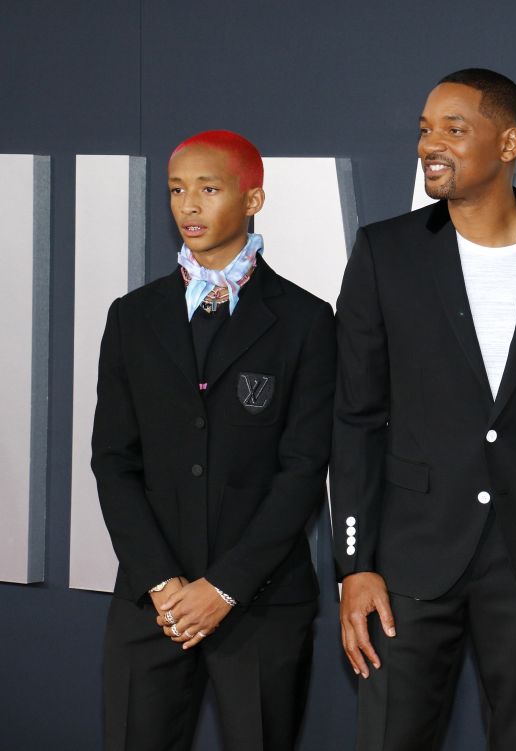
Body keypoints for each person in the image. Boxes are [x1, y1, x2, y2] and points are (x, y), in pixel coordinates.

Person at [331, 68, 516, 750]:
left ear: (508, 142)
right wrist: (353, 563)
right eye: (426, 129)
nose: (433, 144)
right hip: (409, 558)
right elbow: (356, 418)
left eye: (455, 129)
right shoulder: (384, 253)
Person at [92, 130, 335, 751]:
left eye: (208, 188)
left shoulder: (307, 321)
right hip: (153, 604)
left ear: (253, 198)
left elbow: (303, 468)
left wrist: (224, 587)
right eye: (176, 190)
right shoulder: (133, 316)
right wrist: (162, 584)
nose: (188, 206)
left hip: (262, 604)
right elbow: (113, 461)